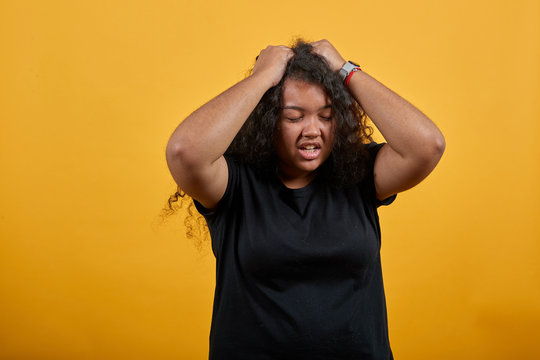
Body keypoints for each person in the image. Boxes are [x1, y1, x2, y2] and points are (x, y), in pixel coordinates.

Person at [165, 39, 445, 359]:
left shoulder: (359, 175)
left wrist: (345, 70)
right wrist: (263, 78)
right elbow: (183, 152)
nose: (312, 130)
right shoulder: (235, 183)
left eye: (325, 116)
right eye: (294, 117)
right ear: (269, 121)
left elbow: (428, 146)